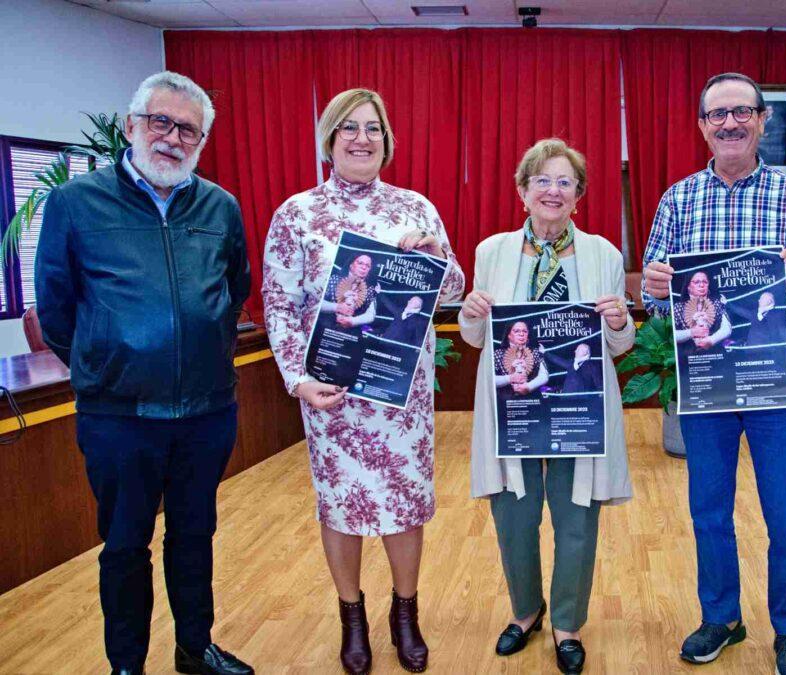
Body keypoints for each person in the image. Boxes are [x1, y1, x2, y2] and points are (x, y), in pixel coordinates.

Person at [34, 71, 253, 675]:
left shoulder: (220, 206)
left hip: (207, 413)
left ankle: (193, 648)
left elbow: (234, 290)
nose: (173, 138)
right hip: (119, 417)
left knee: (195, 538)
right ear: (132, 126)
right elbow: (55, 308)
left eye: (189, 129)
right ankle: (126, 664)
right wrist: (106, 360)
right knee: (126, 546)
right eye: (161, 122)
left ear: (201, 141)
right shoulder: (75, 204)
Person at [262, 88, 464, 675]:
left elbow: (449, 290)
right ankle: (352, 615)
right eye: (348, 128)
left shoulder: (416, 208)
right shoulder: (296, 214)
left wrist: (436, 256)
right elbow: (278, 303)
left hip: (400, 393)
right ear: (329, 139)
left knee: (404, 506)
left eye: (372, 128)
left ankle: (406, 613)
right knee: (341, 507)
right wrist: (297, 378)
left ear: (387, 140)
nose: (361, 138)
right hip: (331, 395)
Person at [641, 72, 786, 675]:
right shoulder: (678, 198)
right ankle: (721, 615)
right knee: (708, 507)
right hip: (707, 378)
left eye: (741, 112)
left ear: (762, 121)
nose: (729, 123)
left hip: (777, 375)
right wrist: (653, 286)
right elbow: (656, 302)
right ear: (702, 125)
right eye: (717, 114)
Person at [458, 138, 635, 674]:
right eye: (542, 181)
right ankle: (525, 611)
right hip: (513, 408)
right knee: (514, 514)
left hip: (577, 410)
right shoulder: (492, 251)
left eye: (565, 182)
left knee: (576, 515)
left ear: (578, 196)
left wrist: (618, 322)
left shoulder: (604, 252)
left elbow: (619, 345)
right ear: (523, 191)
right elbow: (474, 338)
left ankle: (567, 622)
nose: (553, 191)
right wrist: (470, 311)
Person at [673, 271, 732, 350]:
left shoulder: (716, 303)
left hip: (714, 352)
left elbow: (727, 328)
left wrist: (711, 340)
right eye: (696, 282)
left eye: (705, 282)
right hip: (687, 354)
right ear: (688, 287)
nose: (701, 285)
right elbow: (671, 334)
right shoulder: (678, 308)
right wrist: (691, 332)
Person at [324, 253, 379, 331]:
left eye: (367, 266)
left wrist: (352, 321)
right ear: (351, 265)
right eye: (360, 263)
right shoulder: (334, 280)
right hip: (325, 325)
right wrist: (337, 307)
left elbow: (371, 315)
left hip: (352, 331)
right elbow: (318, 301)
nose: (364, 267)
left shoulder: (370, 290)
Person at [493, 320, 549, 397]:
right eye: (516, 331)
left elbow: (544, 375)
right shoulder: (497, 354)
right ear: (508, 335)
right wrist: (509, 378)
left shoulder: (536, 352)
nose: (521, 334)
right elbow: (488, 379)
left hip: (532, 399)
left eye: (524, 331)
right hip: (505, 400)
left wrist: (529, 387)